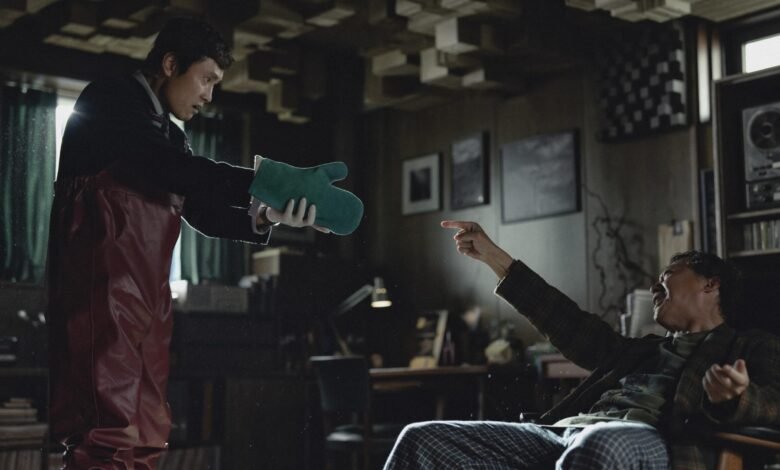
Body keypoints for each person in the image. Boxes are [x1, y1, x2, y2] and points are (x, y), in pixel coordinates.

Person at [46, 17, 328, 469]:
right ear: (170, 63)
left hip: (149, 301)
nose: (209, 96)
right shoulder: (110, 99)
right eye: (206, 79)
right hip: (101, 291)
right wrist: (268, 182)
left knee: (148, 432)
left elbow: (202, 210)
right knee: (105, 430)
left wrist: (269, 214)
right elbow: (167, 169)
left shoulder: (171, 134)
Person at [383, 220, 780, 470]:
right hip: (563, 433)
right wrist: (494, 258)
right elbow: (567, 322)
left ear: (711, 284)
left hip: (655, 443)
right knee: (422, 438)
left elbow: (775, 403)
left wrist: (736, 398)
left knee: (598, 446)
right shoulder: (639, 351)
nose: (654, 286)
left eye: (668, 275)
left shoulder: (748, 347)